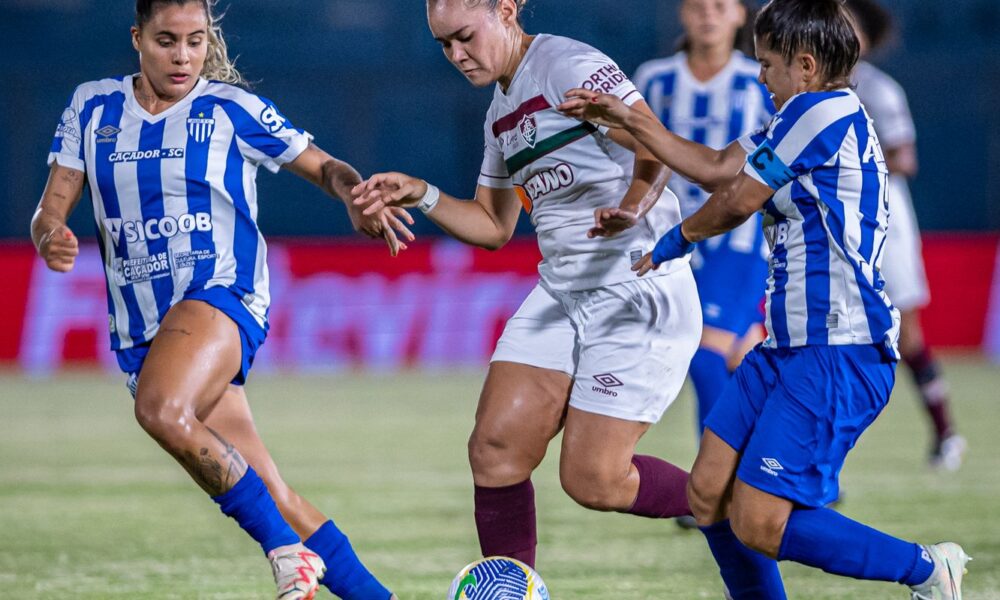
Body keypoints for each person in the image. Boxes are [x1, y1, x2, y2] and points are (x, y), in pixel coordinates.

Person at [559, 0, 971, 598]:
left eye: (769, 64)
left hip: (839, 349)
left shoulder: (823, 111)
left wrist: (676, 239)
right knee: (707, 494)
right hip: (787, 348)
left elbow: (736, 201)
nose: (759, 76)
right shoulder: (794, 117)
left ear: (804, 66)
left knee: (758, 521)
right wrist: (627, 119)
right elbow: (717, 167)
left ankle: (929, 569)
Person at [32, 1, 408, 598]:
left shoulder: (230, 109)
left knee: (159, 411)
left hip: (221, 295)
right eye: (166, 41)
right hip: (144, 329)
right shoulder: (93, 105)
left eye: (195, 41)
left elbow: (325, 165)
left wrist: (352, 193)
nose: (183, 56)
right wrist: (51, 232)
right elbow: (51, 206)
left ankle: (286, 556)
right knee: (274, 493)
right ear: (137, 38)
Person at [353, 0, 701, 569]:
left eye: (464, 36)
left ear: (507, 10)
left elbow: (652, 141)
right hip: (564, 293)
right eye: (444, 45)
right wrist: (422, 193)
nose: (456, 55)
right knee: (495, 449)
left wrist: (633, 208)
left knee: (595, 480)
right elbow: (493, 226)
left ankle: (739, 507)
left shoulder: (566, 64)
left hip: (634, 285)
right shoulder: (500, 112)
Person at [633, 0, 774, 442]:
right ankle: (785, 468)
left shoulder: (760, 81)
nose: (707, 15)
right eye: (697, 6)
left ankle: (713, 493)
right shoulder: (654, 80)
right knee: (746, 358)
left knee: (704, 354)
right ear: (682, 14)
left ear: (738, 16)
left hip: (741, 241)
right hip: (676, 239)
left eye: (719, 6)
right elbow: (635, 154)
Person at [846, 0, 966, 471]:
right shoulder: (803, 87)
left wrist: (848, 165)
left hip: (886, 220)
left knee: (907, 333)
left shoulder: (877, 89)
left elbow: (905, 158)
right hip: (833, 222)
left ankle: (945, 430)